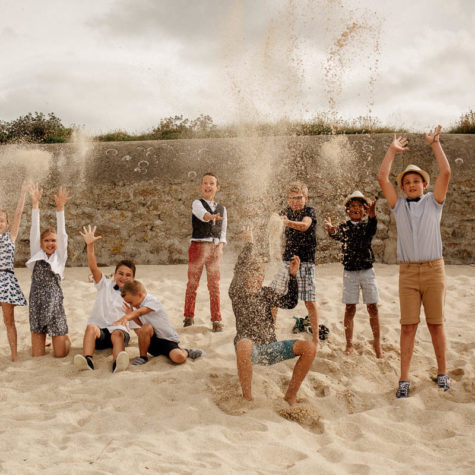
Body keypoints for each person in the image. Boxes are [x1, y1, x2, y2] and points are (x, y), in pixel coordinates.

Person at [377, 125, 451, 398]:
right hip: (407, 273)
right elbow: (382, 177)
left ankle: (443, 372)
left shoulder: (434, 202)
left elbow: (446, 172)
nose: (411, 185)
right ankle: (404, 379)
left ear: (424, 184)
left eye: (415, 181)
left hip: (434, 270)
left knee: (436, 324)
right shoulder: (398, 206)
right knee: (408, 326)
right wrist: (392, 150)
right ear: (403, 186)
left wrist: (435, 145)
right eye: (407, 182)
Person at [230, 227, 316, 405]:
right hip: (249, 349)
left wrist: (292, 277)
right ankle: (247, 398)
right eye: (253, 275)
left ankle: (290, 395)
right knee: (244, 344)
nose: (258, 279)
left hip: (270, 349)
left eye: (260, 275)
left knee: (310, 348)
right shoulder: (237, 292)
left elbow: (290, 302)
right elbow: (239, 268)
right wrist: (249, 244)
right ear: (244, 277)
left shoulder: (266, 293)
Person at [324, 191, 382, 358]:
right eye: (352, 206)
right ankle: (349, 344)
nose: (355, 209)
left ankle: (377, 344)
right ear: (348, 210)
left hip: (367, 271)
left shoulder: (367, 226)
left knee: (373, 308)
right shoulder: (344, 227)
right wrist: (331, 231)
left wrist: (373, 215)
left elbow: (372, 227)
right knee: (350, 308)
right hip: (349, 272)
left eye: (359, 207)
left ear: (364, 211)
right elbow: (337, 235)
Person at [73, 225, 132, 373]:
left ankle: (117, 361)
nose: (123, 277)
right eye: (120, 273)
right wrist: (90, 246)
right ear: (114, 274)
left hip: (118, 332)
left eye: (128, 275)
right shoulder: (104, 284)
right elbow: (93, 267)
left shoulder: (133, 293)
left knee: (118, 334)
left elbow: (141, 315)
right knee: (91, 327)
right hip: (101, 332)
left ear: (133, 278)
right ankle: (88, 359)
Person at [26, 184, 71, 358]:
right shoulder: (36, 256)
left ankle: (64, 337)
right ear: (41, 243)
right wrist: (35, 205)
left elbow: (63, 234)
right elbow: (34, 232)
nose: (50, 243)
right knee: (37, 355)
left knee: (60, 354)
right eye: (46, 240)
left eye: (53, 240)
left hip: (54, 305)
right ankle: (45, 339)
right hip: (36, 304)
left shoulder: (59, 258)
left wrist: (60, 208)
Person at [114, 280, 204, 366]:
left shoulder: (151, 301)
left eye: (131, 302)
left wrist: (127, 317)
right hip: (152, 343)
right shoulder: (137, 305)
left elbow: (140, 312)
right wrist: (131, 315)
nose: (131, 305)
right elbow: (142, 325)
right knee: (145, 327)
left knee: (179, 358)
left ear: (140, 295)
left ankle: (186, 351)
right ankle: (143, 357)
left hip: (167, 340)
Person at [271, 181, 318, 343]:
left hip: (306, 262)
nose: (295, 202)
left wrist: (286, 222)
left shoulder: (309, 211)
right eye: (291, 199)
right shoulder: (287, 211)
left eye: (298, 198)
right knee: (273, 294)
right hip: (287, 261)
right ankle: (272, 328)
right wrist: (275, 217)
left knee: (309, 300)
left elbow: (305, 226)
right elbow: (276, 217)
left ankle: (316, 338)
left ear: (306, 197)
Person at [183, 172, 227, 332]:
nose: (208, 186)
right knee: (193, 283)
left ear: (217, 187)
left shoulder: (223, 208)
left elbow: (223, 233)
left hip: (214, 249)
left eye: (211, 183)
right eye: (205, 183)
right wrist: (211, 216)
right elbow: (203, 216)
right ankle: (188, 317)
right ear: (201, 186)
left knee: (214, 285)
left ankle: (216, 319)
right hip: (198, 247)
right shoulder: (197, 203)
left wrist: (220, 249)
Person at [0, 180, 30, 361]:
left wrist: (23, 194)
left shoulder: (10, 236)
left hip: (6, 280)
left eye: (1, 220)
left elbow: (19, 213)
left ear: (6, 222)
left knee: (9, 321)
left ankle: (14, 355)